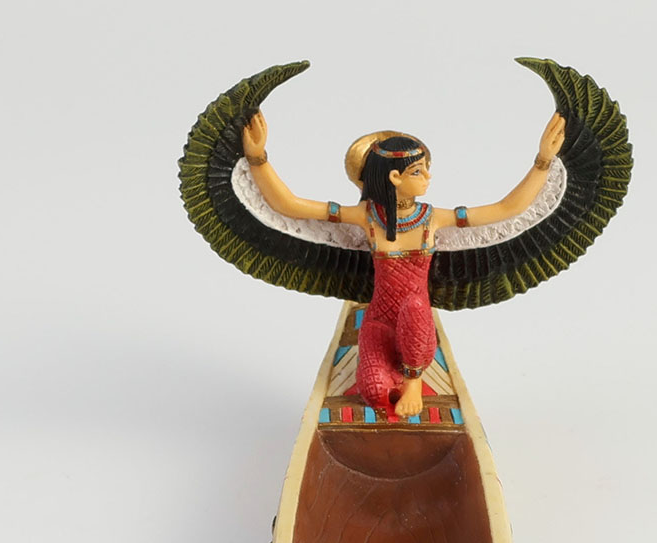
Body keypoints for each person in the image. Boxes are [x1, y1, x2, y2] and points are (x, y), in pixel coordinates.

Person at [242, 112, 566, 417]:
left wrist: (543, 161)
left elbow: (507, 209)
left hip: (417, 324)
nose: (428, 177)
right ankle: (394, 380)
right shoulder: (367, 217)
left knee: (414, 306)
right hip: (379, 322)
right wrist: (258, 158)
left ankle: (413, 380)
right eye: (418, 171)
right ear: (395, 177)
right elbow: (289, 205)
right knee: (374, 393)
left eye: (426, 169)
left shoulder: (433, 219)